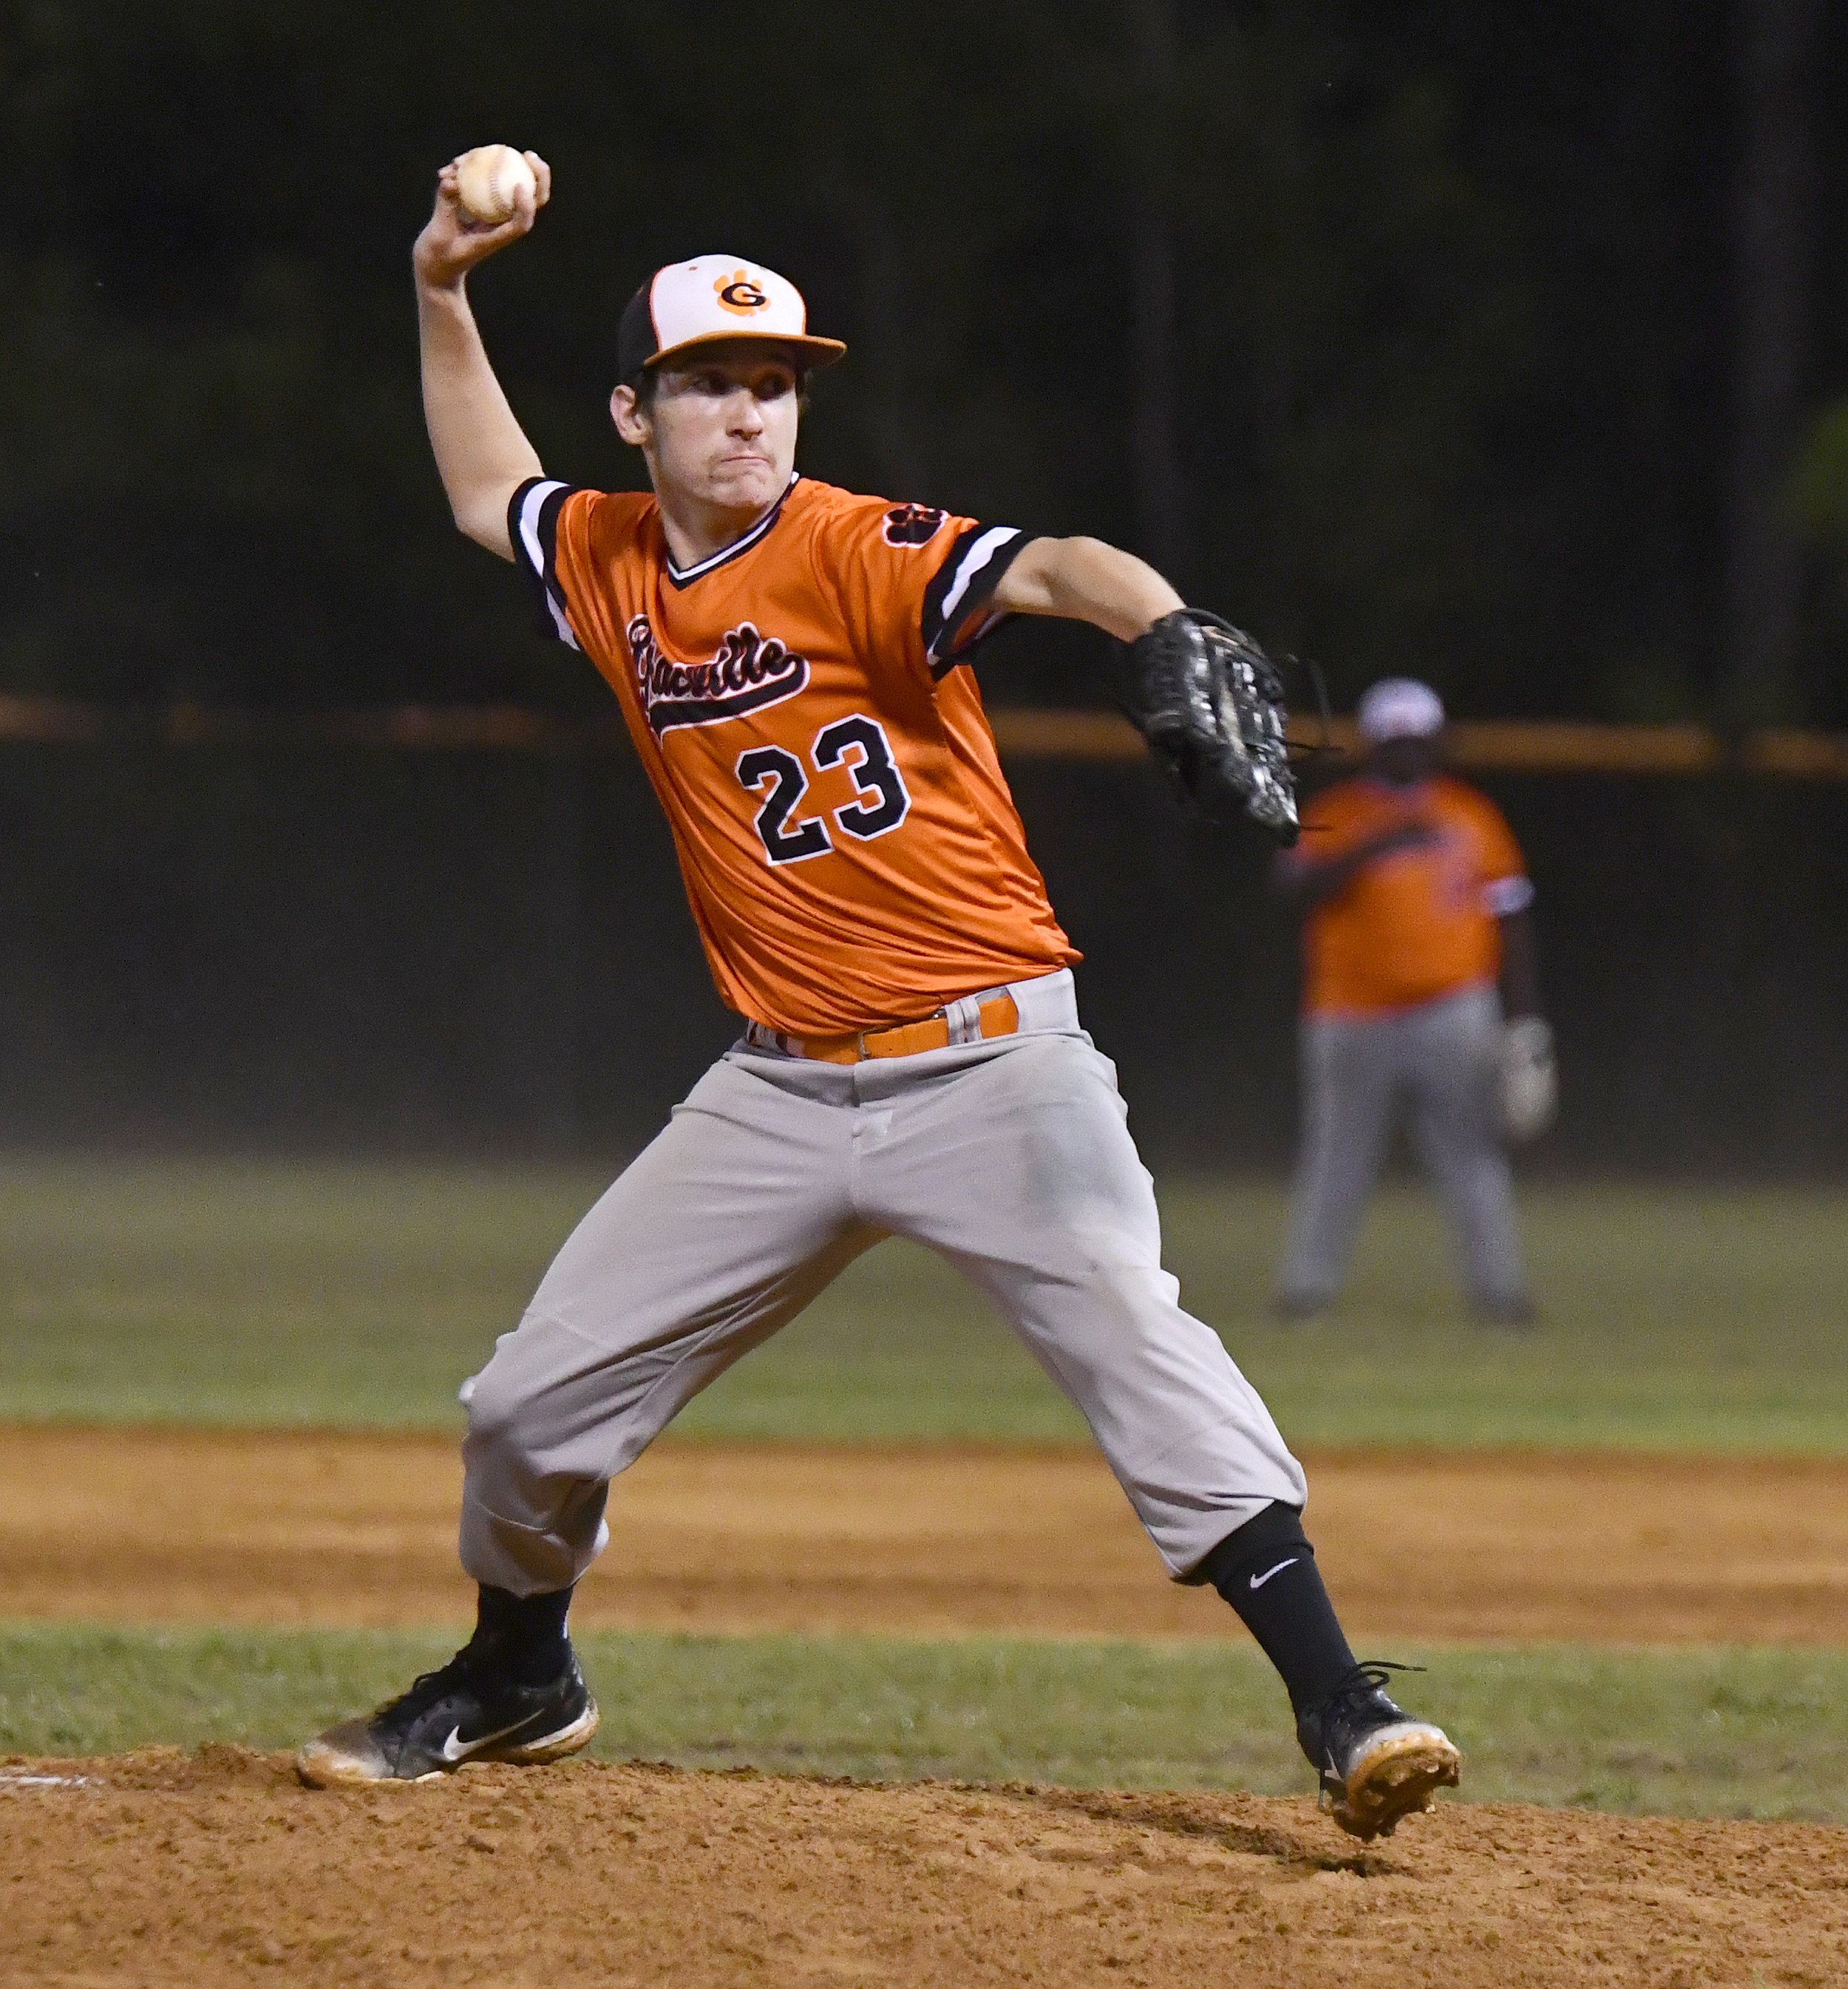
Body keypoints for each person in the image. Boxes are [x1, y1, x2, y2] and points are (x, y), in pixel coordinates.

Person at [295, 150, 1461, 1841]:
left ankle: (1343, 1701)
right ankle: (516, 1673)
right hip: (775, 1091)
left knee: (1139, 1337)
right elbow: (489, 492)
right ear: (636, 414)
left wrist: (1168, 624)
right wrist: (439, 284)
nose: (752, 416)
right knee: (526, 1409)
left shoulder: (857, 548)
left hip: (994, 1062)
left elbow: (1060, 564)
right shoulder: (613, 561)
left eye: (774, 383)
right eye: (709, 384)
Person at [1272, 677, 1551, 1325]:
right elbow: (1291, 890)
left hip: (1453, 1007)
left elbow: (1513, 917)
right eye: (1395, 742)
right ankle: (1307, 1290)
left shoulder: (1471, 814)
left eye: (1418, 741)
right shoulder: (1337, 811)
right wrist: (1375, 846)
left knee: (1473, 1153)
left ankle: (1498, 1292)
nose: (1407, 754)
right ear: (1372, 746)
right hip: (1349, 1012)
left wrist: (1526, 1018)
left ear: (1436, 743)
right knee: (1338, 1150)